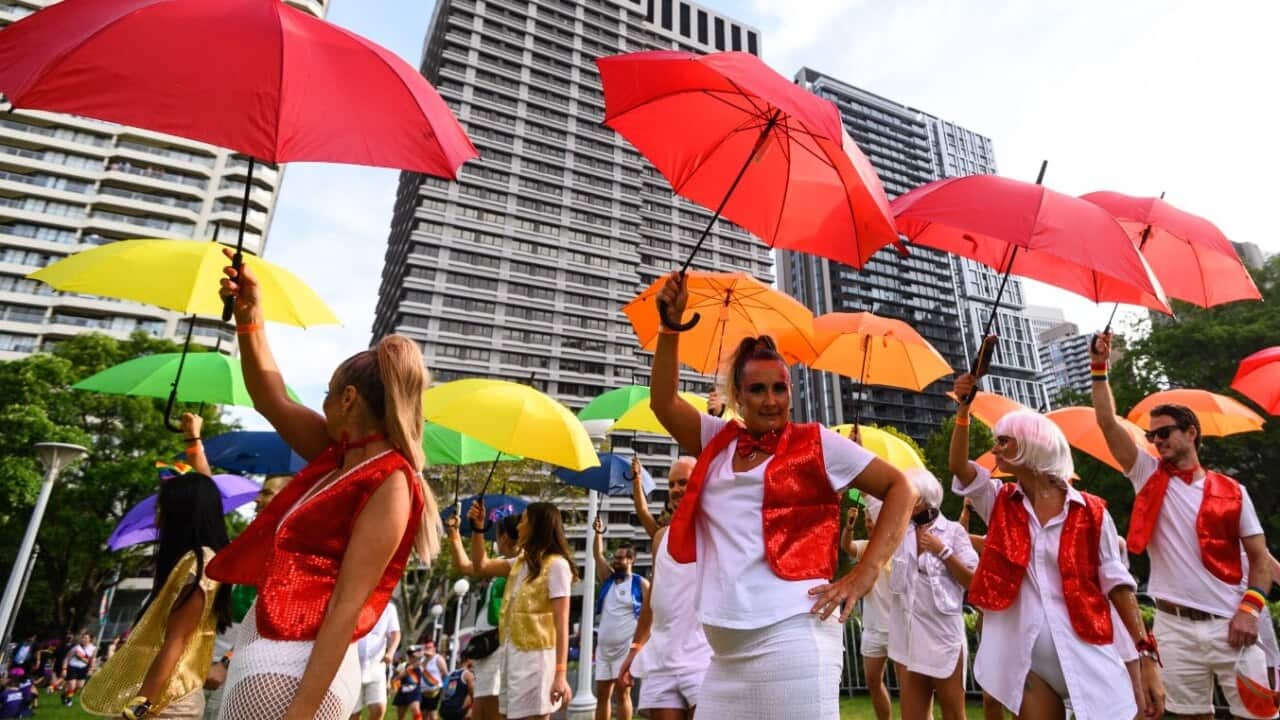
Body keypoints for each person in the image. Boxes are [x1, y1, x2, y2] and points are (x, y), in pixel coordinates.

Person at [647, 272, 917, 720]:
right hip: (725, 655)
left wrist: (865, 574)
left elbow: (900, 487)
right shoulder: (717, 440)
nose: (771, 400)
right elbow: (663, 402)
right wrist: (670, 329)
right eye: (757, 389)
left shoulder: (817, 442)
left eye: (780, 388)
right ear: (737, 394)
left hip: (794, 634)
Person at [208, 249, 441, 720]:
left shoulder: (391, 481)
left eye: (327, 396)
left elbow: (346, 607)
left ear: (349, 399)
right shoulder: (339, 458)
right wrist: (250, 316)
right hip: (275, 654)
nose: (322, 406)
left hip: (297, 671)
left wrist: (301, 713)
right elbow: (269, 396)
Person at [951, 374, 1163, 720]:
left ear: (1032, 444)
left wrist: (1146, 654)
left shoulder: (1092, 511)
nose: (995, 449)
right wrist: (963, 411)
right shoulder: (1000, 501)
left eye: (1004, 441)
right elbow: (959, 468)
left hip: (1089, 651)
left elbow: (1119, 586)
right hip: (1028, 658)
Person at [1091, 333, 1272, 718]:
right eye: (1151, 436)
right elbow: (1107, 423)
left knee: (1258, 715)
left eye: (1165, 433)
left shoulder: (1233, 491)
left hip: (1232, 623)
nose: (1156, 441)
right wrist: (1099, 368)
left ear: (1191, 433)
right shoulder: (1147, 475)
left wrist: (1250, 611)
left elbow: (1259, 559)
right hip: (1173, 627)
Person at [81, 448, 234, 719]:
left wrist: (140, 707)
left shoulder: (198, 565)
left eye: (163, 507)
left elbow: (177, 640)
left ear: (183, 512)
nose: (157, 516)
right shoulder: (190, 561)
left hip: (167, 703)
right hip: (156, 695)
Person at [618, 456, 710, 720]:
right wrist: (635, 648)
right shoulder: (660, 538)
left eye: (684, 482)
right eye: (671, 485)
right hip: (661, 661)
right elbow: (652, 602)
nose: (676, 490)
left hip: (703, 658)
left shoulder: (715, 530)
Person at [468, 501, 577, 720]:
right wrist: (478, 529)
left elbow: (562, 623)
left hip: (537, 661)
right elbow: (481, 566)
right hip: (513, 657)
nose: (518, 527)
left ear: (537, 526)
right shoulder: (520, 562)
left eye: (524, 521)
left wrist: (560, 675)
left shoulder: (557, 566)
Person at [886, 469, 977, 720]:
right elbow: (872, 499)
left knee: (953, 712)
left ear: (923, 498)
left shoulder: (953, 532)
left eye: (909, 494)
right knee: (912, 715)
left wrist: (943, 551)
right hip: (908, 634)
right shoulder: (899, 530)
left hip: (943, 635)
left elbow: (973, 581)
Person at [446, 510, 520, 720]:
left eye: (496, 534)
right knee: (483, 702)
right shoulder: (504, 563)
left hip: (498, 642)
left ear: (504, 537)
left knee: (489, 703)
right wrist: (454, 535)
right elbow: (466, 566)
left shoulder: (520, 564)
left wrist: (478, 529)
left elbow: (477, 565)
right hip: (486, 644)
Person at [840, 501, 892, 720]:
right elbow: (846, 547)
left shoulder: (898, 546)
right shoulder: (865, 548)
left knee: (912, 686)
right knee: (872, 681)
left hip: (899, 627)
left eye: (871, 520)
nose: (869, 525)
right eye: (866, 521)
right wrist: (849, 528)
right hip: (873, 628)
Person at [591, 522, 647, 720]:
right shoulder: (608, 579)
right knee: (602, 697)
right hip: (604, 650)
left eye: (621, 558)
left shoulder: (640, 583)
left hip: (625, 650)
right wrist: (598, 533)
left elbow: (651, 614)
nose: (616, 562)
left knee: (623, 694)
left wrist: (639, 645)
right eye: (615, 558)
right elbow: (598, 556)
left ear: (631, 560)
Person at [350, 602, 401, 720]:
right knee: (353, 714)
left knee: (379, 707)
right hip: (353, 668)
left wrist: (391, 652)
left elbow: (395, 633)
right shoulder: (356, 602)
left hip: (376, 666)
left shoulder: (388, 608)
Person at [62, 631, 96, 707]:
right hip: (72, 667)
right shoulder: (76, 648)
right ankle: (69, 701)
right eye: (83, 638)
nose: (84, 639)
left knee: (79, 686)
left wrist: (91, 669)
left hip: (83, 668)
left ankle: (64, 694)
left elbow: (92, 659)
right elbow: (67, 658)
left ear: (90, 639)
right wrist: (64, 669)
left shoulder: (93, 648)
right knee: (72, 686)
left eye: (86, 638)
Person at [418, 642, 449, 720]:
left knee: (432, 712)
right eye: (426, 647)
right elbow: (420, 670)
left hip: (435, 690)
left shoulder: (438, 658)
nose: (427, 649)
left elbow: (446, 674)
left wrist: (443, 687)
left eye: (429, 647)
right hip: (423, 690)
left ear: (434, 648)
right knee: (423, 713)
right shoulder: (423, 659)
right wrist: (427, 658)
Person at [392, 651, 425, 720]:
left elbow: (425, 659)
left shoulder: (420, 665)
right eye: (410, 656)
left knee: (416, 710)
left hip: (415, 690)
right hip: (403, 690)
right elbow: (396, 677)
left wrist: (421, 655)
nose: (411, 658)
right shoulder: (403, 665)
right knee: (401, 716)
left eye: (413, 657)